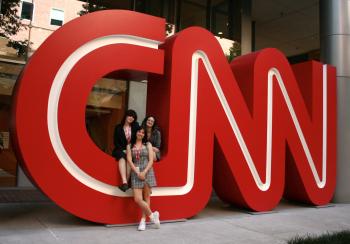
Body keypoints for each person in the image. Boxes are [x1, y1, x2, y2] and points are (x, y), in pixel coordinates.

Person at [126, 125, 160, 231]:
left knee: (147, 197)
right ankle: (153, 216)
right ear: (135, 133)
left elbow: (151, 160)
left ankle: (143, 220)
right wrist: (137, 172)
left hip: (147, 172)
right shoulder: (129, 145)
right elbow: (129, 160)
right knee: (137, 199)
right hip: (136, 173)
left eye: (143, 132)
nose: (141, 134)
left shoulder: (148, 144)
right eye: (139, 132)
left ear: (144, 135)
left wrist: (144, 172)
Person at [112, 109, 139, 192]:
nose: (131, 118)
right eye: (130, 115)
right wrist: (123, 150)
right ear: (126, 116)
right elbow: (115, 141)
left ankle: (125, 184)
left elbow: (139, 138)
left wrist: (130, 149)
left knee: (129, 158)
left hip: (131, 150)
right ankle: (124, 181)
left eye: (133, 117)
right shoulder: (118, 127)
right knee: (122, 156)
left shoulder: (135, 127)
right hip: (120, 149)